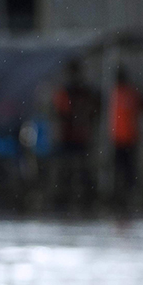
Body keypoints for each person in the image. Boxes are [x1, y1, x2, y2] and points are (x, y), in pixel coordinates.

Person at [51, 60, 101, 210]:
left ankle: (80, 199)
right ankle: (71, 199)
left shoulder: (81, 92)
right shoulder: (73, 92)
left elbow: (61, 113)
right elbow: (61, 113)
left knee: (78, 170)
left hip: (76, 136)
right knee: (71, 170)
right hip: (71, 136)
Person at [109, 66, 143, 208]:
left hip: (121, 138)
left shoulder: (116, 94)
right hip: (127, 138)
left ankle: (122, 195)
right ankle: (126, 195)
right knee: (127, 170)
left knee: (122, 169)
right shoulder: (130, 93)